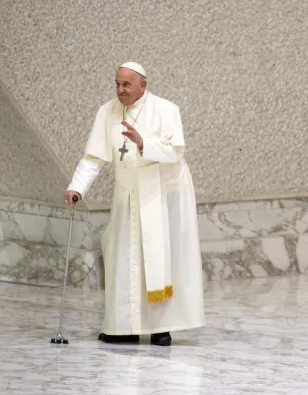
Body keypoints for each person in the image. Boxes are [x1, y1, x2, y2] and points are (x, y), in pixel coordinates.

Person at [64, 62, 205, 346]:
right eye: (117, 84)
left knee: (159, 258)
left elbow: (176, 152)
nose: (120, 90)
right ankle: (123, 327)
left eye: (126, 85)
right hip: (127, 192)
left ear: (143, 84)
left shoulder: (167, 109)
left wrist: (144, 143)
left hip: (162, 194)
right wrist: (76, 187)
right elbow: (93, 157)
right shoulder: (107, 112)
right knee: (122, 256)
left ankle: (160, 328)